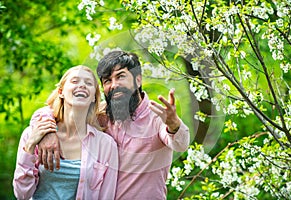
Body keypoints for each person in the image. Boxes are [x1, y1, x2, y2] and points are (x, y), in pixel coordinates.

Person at [31, 51, 190, 200]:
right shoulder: (98, 114)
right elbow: (54, 110)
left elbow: (180, 144)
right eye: (107, 80)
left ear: (138, 79)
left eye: (120, 76)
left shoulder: (157, 117)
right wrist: (48, 132)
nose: (114, 85)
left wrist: (174, 125)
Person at [13, 65, 118, 200]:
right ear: (61, 92)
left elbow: (107, 196)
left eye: (88, 83)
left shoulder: (106, 145)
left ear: (93, 97)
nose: (82, 85)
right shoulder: (33, 134)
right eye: (75, 81)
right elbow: (22, 194)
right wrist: (29, 147)